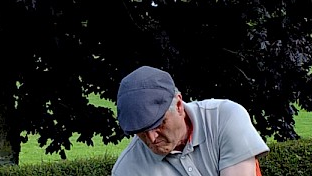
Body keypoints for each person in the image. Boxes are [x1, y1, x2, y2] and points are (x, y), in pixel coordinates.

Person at [111, 65, 269, 176]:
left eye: (159, 124)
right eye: (141, 132)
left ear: (179, 105)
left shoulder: (225, 118)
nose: (152, 139)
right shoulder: (127, 170)